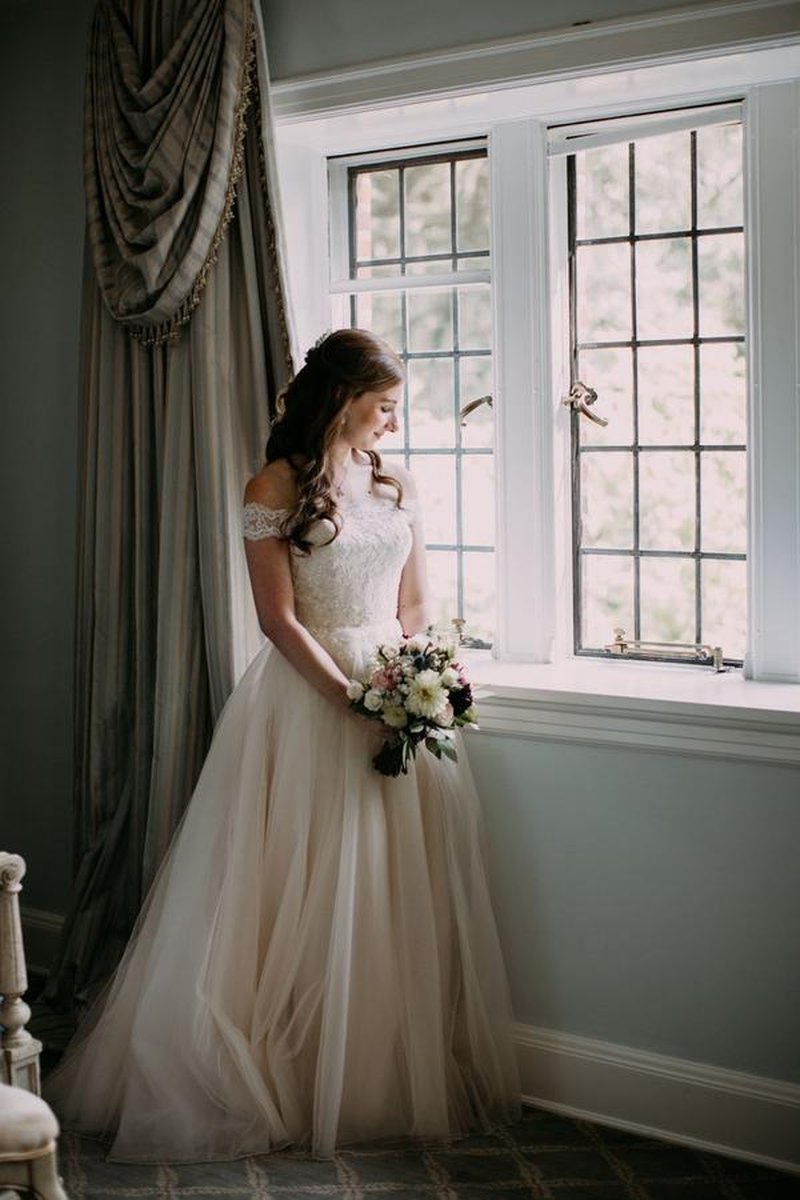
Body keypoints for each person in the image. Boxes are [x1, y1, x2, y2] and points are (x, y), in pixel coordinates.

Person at [45, 329, 521, 1162]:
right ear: (341, 400)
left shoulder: (396, 482)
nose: (393, 422)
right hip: (307, 700)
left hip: (393, 691)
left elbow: (414, 604)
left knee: (383, 879)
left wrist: (419, 676)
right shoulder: (272, 485)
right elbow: (277, 620)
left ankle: (366, 1066)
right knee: (293, 879)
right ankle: (283, 1066)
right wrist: (347, 700)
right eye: (383, 406)